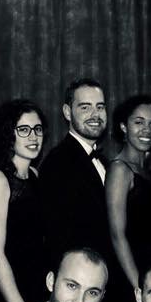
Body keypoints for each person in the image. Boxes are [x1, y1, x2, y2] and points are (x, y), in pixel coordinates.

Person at [0, 99, 49, 302]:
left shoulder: (34, 175)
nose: (33, 137)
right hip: (10, 295)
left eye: (37, 129)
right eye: (24, 130)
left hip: (36, 288)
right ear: (8, 135)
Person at [39, 78, 111, 273]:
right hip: (81, 276)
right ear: (67, 112)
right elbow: (58, 237)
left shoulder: (105, 162)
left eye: (100, 107)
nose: (95, 115)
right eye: (85, 107)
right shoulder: (57, 163)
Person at [105, 95, 151, 302]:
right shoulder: (120, 170)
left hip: (149, 271)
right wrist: (138, 287)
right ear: (123, 126)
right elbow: (117, 235)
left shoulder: (145, 169)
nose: (147, 130)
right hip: (129, 276)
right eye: (139, 122)